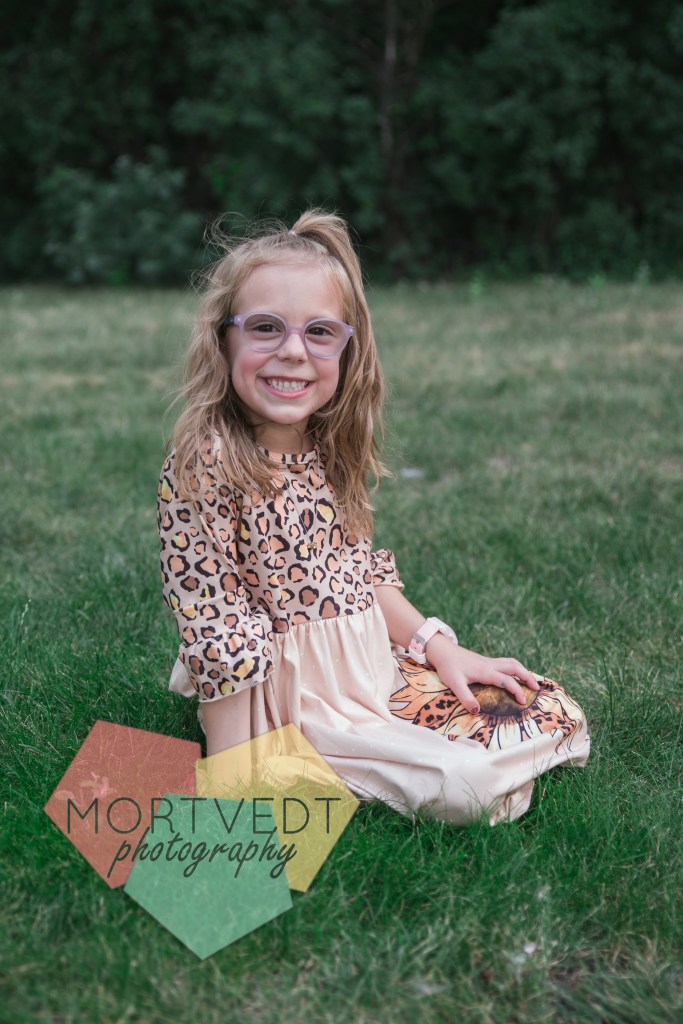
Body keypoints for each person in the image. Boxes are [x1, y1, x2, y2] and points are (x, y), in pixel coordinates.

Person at [157, 209, 590, 827]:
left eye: (319, 332)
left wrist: (442, 650)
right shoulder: (208, 462)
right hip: (288, 702)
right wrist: (235, 771)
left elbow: (356, 572)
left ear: (347, 347)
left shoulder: (327, 444)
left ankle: (438, 749)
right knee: (465, 786)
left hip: (371, 671)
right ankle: (375, 763)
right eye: (265, 327)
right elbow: (215, 619)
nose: (292, 351)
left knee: (552, 710)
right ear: (223, 338)